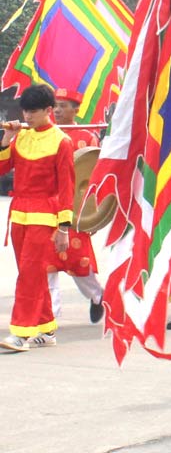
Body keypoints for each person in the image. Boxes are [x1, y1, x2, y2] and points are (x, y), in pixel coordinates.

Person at [0, 85, 74, 351]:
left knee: (29, 274)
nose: (28, 116)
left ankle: (20, 333)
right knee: (30, 274)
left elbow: (67, 187)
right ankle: (47, 328)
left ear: (48, 110)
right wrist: (6, 139)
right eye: (25, 111)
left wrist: (64, 228)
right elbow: (2, 168)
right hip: (19, 214)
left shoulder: (62, 141)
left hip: (44, 216)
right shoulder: (21, 136)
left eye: (33, 111)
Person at [47, 87, 104, 324]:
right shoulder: (46, 133)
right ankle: (48, 318)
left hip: (74, 209)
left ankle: (98, 296)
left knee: (79, 262)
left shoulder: (88, 137)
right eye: (55, 106)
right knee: (45, 265)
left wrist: (95, 215)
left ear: (76, 109)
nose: (58, 110)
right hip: (48, 207)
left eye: (63, 106)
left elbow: (93, 178)